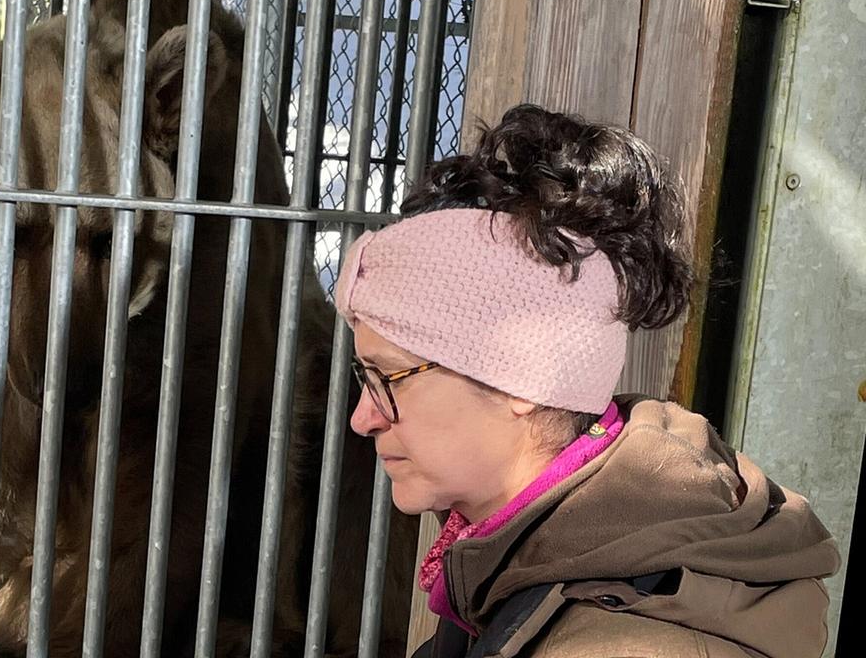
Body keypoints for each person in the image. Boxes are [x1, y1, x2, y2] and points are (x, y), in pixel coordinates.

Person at [334, 104, 840, 658]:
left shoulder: (618, 639)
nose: (364, 417)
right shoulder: (521, 568)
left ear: (521, 377)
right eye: (365, 377)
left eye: (391, 378)